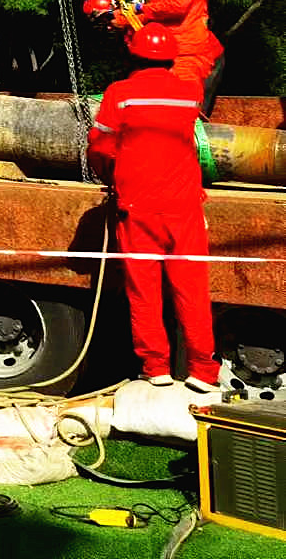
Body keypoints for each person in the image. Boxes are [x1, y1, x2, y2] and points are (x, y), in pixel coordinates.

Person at [87, 24, 218, 393]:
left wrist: (110, 174)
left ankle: (155, 367)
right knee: (191, 289)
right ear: (171, 56)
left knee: (143, 290)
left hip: (137, 206)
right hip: (184, 205)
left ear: (135, 54)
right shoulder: (190, 92)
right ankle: (203, 372)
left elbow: (100, 145)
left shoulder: (120, 94)